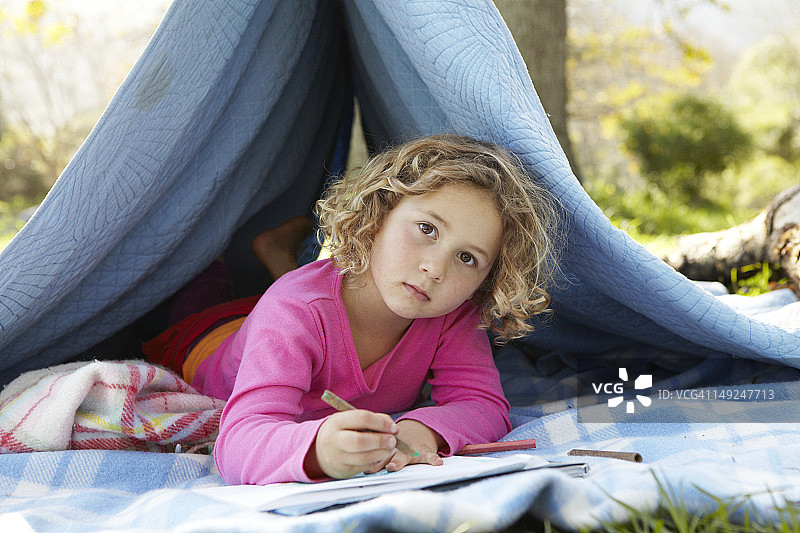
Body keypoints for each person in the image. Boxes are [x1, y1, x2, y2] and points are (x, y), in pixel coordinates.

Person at [143, 134, 560, 484]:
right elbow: (238, 442)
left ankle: (277, 255)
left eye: (468, 258)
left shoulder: (452, 313)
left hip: (303, 304)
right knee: (205, 300)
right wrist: (318, 451)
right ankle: (224, 264)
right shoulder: (293, 312)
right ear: (378, 214)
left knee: (298, 298)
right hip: (207, 340)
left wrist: (424, 430)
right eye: (427, 229)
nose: (435, 268)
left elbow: (483, 404)